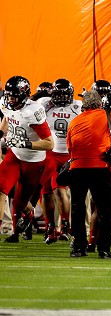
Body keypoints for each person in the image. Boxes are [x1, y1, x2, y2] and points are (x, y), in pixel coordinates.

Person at [66, 90, 111, 258]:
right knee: (106, 209)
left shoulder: (74, 121)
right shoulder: (106, 116)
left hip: (77, 168)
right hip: (99, 167)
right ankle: (104, 248)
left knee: (78, 208)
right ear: (100, 104)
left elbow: (70, 148)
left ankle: (78, 247)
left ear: (84, 106)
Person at [0, 76, 54, 242]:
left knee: (19, 203)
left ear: (23, 95)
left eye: (14, 96)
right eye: (8, 95)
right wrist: (1, 135)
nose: (10, 99)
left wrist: (25, 143)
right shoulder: (5, 103)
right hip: (14, 156)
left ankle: (29, 215)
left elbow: (49, 144)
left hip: (33, 162)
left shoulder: (33, 111)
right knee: (0, 187)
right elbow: (8, 118)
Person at [36, 78, 82, 243]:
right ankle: (52, 226)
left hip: (68, 154)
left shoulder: (77, 106)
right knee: (46, 192)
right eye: (59, 93)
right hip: (50, 153)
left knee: (59, 190)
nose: (62, 97)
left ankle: (64, 225)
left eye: (65, 94)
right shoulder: (45, 103)